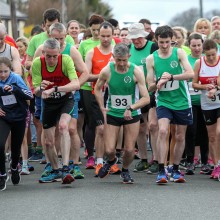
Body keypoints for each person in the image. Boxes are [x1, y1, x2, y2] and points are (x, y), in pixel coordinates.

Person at [34, 22, 89, 180]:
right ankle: (54, 167)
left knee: (67, 128)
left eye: (62, 38)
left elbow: (81, 76)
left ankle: (70, 166)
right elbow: (36, 87)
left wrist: (62, 88)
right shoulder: (40, 58)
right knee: (49, 140)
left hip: (67, 96)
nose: (51, 59)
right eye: (48, 56)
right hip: (48, 101)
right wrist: (41, 89)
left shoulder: (68, 55)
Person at [95, 43, 150, 184]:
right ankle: (112, 160)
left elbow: (146, 98)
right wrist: (102, 107)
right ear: (113, 57)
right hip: (113, 112)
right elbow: (97, 88)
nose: (121, 63)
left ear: (129, 57)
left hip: (131, 114)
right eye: (118, 60)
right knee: (109, 149)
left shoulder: (136, 71)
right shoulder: (107, 71)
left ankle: (125, 170)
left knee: (130, 149)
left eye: (124, 60)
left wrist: (131, 107)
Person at [147, 25, 194, 184]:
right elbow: (149, 85)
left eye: (168, 42)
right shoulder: (151, 59)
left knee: (180, 136)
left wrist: (171, 77)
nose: (165, 46)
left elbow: (190, 73)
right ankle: (161, 170)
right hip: (164, 101)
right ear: (156, 40)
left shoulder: (179, 53)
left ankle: (175, 169)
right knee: (162, 131)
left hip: (181, 100)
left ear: (172, 41)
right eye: (162, 42)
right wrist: (159, 82)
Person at [85, 21, 120, 176]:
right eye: (103, 36)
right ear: (98, 34)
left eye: (108, 36)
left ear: (113, 35)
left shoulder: (117, 52)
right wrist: (103, 77)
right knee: (100, 129)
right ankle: (99, 163)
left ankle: (111, 161)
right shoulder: (92, 53)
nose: (105, 39)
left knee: (111, 130)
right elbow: (86, 76)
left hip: (115, 96)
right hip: (97, 94)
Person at [126, 23, 158, 173]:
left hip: (152, 91)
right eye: (133, 39)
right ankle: (144, 160)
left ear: (143, 36)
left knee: (153, 126)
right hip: (136, 93)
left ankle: (157, 159)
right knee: (140, 127)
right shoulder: (129, 49)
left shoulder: (153, 47)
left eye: (138, 38)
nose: (135, 41)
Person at [0, 57, 33, 191]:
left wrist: (14, 89)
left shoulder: (16, 79)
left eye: (5, 71)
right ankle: (2, 174)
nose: (2, 75)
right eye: (0, 72)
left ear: (10, 70)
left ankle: (14, 167)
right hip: (4, 116)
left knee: (15, 147)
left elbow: (29, 95)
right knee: (0, 144)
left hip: (19, 115)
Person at [192, 39, 220, 180]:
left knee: (219, 132)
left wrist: (216, 88)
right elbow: (194, 84)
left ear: (217, 52)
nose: (210, 58)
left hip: (219, 102)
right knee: (213, 137)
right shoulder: (199, 63)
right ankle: (216, 166)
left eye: (213, 55)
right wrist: (205, 87)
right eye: (208, 55)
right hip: (207, 104)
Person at [184, 33, 209, 175]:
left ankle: (205, 162)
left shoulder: (208, 60)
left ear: (203, 45)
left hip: (206, 101)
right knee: (191, 131)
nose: (197, 48)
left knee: (205, 132)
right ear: (189, 46)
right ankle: (189, 161)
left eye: (199, 45)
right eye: (193, 45)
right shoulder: (186, 60)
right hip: (190, 101)